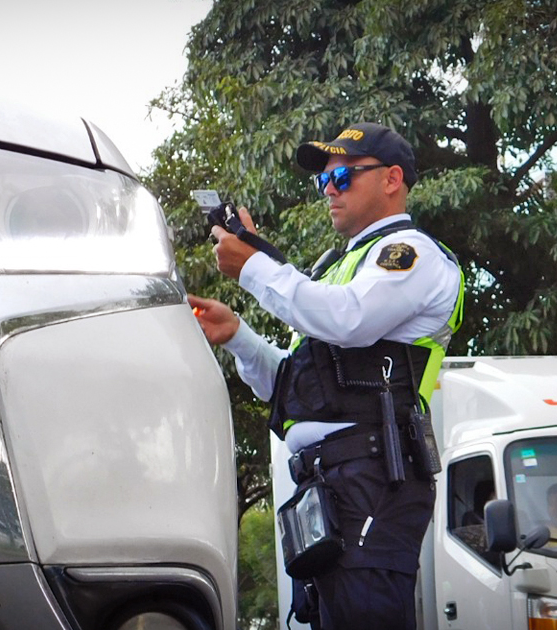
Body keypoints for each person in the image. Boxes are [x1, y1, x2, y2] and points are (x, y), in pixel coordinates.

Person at [187, 123, 464, 630]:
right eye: (323, 181)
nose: (329, 189)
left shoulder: (411, 253)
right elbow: (296, 389)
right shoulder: (336, 267)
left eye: (342, 176)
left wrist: (253, 267)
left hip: (376, 475)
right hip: (331, 482)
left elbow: (346, 319)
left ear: (391, 179)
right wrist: (239, 336)